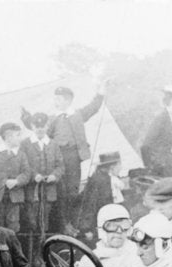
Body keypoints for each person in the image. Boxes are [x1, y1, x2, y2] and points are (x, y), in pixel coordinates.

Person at [48, 83, 106, 231]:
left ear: (68, 100)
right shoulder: (52, 118)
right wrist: (25, 116)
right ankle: (63, 225)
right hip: (58, 160)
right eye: (55, 99)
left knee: (72, 191)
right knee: (60, 192)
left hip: (73, 158)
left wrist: (100, 93)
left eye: (59, 99)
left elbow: (93, 107)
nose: (55, 102)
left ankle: (72, 223)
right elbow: (39, 128)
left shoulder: (78, 114)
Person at [20, 112, 64, 251]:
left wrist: (54, 176)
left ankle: (42, 253)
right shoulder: (25, 144)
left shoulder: (53, 144)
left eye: (42, 126)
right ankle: (31, 254)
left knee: (44, 223)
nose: (40, 129)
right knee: (31, 222)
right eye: (36, 126)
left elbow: (60, 166)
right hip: (31, 192)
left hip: (49, 191)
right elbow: (22, 164)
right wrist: (34, 175)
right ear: (32, 126)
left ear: (47, 126)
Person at [78, 151, 124, 242]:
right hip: (99, 225)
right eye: (119, 164)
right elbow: (90, 204)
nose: (121, 167)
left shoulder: (109, 178)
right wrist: (86, 229)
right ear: (112, 167)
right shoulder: (99, 180)